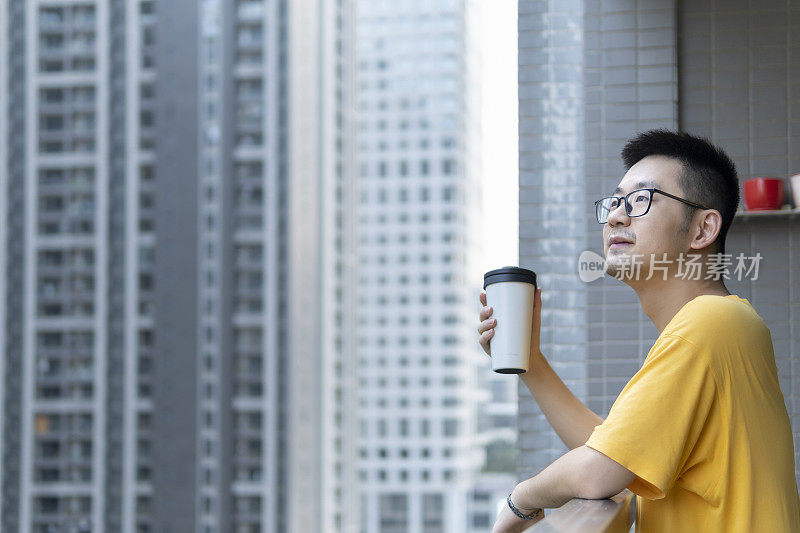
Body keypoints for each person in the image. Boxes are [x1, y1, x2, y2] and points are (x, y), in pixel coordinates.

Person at [477, 130, 800, 532]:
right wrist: (531, 363)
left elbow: (600, 471)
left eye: (642, 199)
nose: (616, 215)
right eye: (616, 201)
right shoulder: (719, 324)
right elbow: (614, 450)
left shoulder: (710, 324)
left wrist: (520, 500)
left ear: (702, 230)